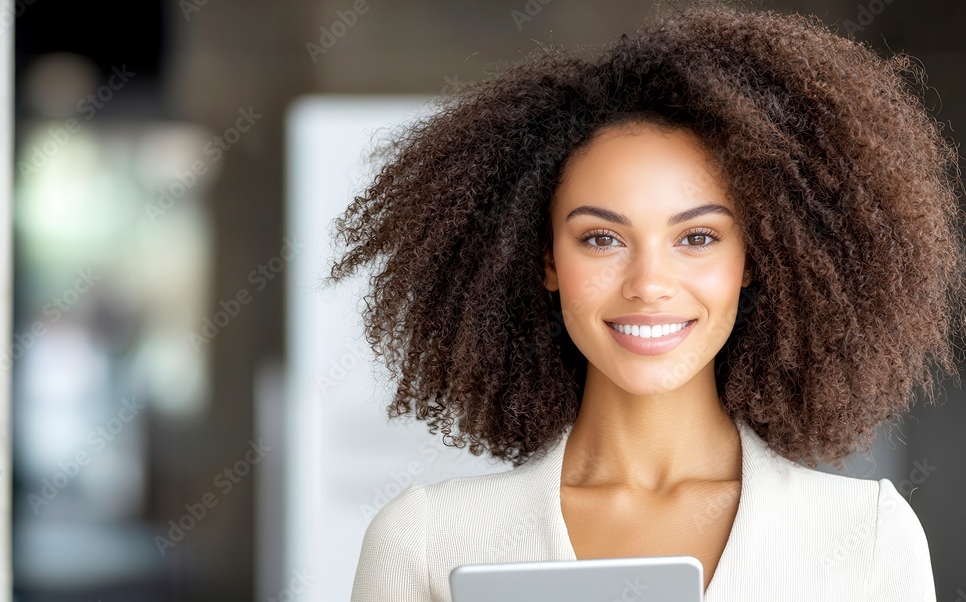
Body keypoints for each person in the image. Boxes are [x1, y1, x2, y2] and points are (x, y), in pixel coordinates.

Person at [324, 2, 966, 600]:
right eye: (601, 238)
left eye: (697, 237)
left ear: (753, 260)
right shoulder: (428, 540)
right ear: (547, 259)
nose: (648, 283)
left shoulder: (868, 536)